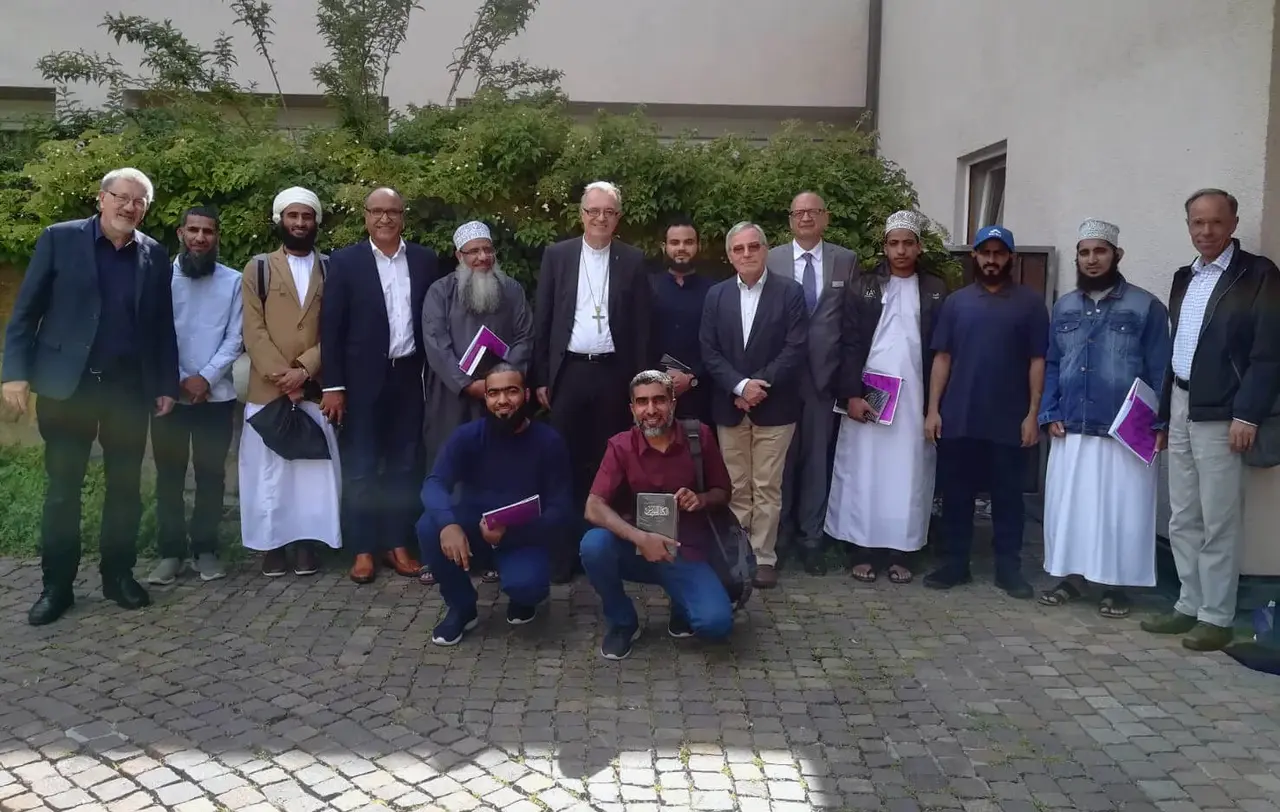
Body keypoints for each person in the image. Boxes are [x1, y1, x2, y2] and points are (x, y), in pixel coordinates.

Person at [2, 167, 178, 625]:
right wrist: (14, 374)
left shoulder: (154, 255)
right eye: (122, 198)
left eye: (139, 202)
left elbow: (161, 329)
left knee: (124, 490)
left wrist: (164, 384)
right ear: (102, 198)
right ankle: (56, 587)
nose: (129, 207)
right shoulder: (59, 239)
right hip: (67, 387)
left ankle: (117, 576)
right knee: (63, 493)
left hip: (126, 391)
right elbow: (26, 313)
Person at [1142, 189, 1280, 651]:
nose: (1206, 232)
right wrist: (1163, 416)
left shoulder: (1257, 275)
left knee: (1220, 517)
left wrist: (1248, 412)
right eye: (1197, 223)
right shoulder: (1185, 277)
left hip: (1225, 412)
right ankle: (1188, 603)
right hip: (1181, 404)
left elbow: (1268, 352)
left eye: (1215, 223)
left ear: (1233, 223)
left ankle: (1217, 616)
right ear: (1188, 226)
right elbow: (1177, 350)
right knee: (1183, 514)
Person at [1037, 218, 1171, 618]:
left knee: (1121, 510)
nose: (1091, 260)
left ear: (1117, 255)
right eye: (1084, 252)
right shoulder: (1064, 307)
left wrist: (1160, 423)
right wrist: (1049, 410)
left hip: (1125, 429)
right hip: (1072, 424)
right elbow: (1053, 363)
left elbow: (1161, 369)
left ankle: (1117, 586)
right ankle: (1071, 578)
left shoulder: (1145, 306)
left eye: (1100, 251)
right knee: (1071, 507)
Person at [532, 180, 652, 583]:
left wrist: (638, 386)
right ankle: (563, 554)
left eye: (609, 212)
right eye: (593, 211)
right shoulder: (558, 255)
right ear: (581, 214)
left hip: (613, 374)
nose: (601, 218)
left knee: (610, 464)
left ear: (618, 218)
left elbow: (640, 328)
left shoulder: (633, 260)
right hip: (569, 372)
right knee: (562, 463)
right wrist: (542, 376)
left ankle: (603, 551)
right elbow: (543, 317)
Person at [320, 187, 440, 584]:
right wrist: (333, 386)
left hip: (409, 376)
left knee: (405, 465)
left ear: (403, 216)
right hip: (361, 381)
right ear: (366, 216)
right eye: (377, 211)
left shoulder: (424, 260)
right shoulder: (345, 261)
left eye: (393, 211)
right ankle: (362, 549)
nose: (385, 218)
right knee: (361, 467)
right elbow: (331, 329)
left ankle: (397, 544)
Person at [922, 225, 1049, 598]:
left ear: (1010, 257)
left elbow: (1037, 362)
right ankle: (955, 565)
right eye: (985, 253)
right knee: (956, 496)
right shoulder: (957, 302)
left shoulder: (1029, 303)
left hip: (1009, 420)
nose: (991, 260)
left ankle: (1008, 570)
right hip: (960, 416)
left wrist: (1032, 414)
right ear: (974, 256)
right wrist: (933, 410)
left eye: (999, 253)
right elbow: (942, 358)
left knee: (1008, 500)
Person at [826, 210, 947, 585]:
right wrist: (851, 395)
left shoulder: (935, 289)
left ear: (919, 247)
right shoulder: (862, 284)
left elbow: (942, 350)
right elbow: (847, 343)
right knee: (865, 471)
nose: (900, 250)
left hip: (913, 399)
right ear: (885, 247)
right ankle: (863, 549)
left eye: (907, 243)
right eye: (893, 243)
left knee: (908, 472)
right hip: (869, 396)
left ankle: (902, 550)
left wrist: (933, 408)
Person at [580, 370, 735, 660]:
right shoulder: (621, 445)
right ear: (632, 409)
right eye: (642, 402)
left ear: (673, 403)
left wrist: (700, 499)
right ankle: (622, 622)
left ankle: (682, 604)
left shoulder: (698, 436)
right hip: (636, 549)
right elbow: (593, 506)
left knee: (715, 625)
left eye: (659, 400)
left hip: (686, 550)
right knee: (593, 545)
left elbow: (724, 492)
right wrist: (640, 538)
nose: (651, 410)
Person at [417, 364, 572, 645]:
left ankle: (524, 598)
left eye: (511, 392)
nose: (502, 401)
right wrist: (448, 524)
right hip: (473, 528)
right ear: (485, 398)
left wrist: (512, 533)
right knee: (429, 526)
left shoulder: (549, 442)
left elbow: (561, 510)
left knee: (527, 587)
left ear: (526, 395)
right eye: (494, 393)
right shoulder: (466, 437)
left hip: (523, 534)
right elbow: (434, 482)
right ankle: (462, 608)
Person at [239, 187, 342, 576]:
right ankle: (272, 545)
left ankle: (306, 544)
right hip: (268, 390)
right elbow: (253, 328)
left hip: (314, 389)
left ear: (317, 222)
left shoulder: (332, 268)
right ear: (279, 220)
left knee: (310, 473)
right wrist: (282, 376)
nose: (300, 223)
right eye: (292, 216)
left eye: (307, 216)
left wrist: (305, 370)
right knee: (269, 473)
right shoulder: (258, 268)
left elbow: (336, 328)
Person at [700, 222, 808, 588]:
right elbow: (709, 350)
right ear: (730, 255)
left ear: (765, 249)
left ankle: (763, 557)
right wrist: (739, 385)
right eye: (739, 249)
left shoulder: (790, 292)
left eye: (753, 247)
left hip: (775, 405)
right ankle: (736, 553)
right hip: (730, 404)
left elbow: (795, 347)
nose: (746, 254)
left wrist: (759, 385)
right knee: (734, 483)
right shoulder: (716, 296)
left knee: (767, 485)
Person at [147, 206, 244, 586]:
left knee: (210, 476)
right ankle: (170, 553)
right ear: (180, 233)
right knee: (168, 477)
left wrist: (204, 378)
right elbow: (153, 335)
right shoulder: (157, 278)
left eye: (208, 231)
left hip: (214, 396)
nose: (200, 238)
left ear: (217, 236)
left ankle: (205, 549)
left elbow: (235, 336)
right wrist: (177, 381)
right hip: (167, 396)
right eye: (193, 230)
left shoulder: (233, 281)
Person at [767, 192, 859, 574]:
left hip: (824, 379)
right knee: (780, 462)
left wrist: (847, 380)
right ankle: (780, 535)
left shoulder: (845, 260)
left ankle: (811, 539)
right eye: (798, 212)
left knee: (818, 461)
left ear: (826, 218)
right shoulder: (770, 258)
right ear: (790, 219)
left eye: (813, 212)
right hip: (781, 380)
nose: (805, 218)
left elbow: (850, 323)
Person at [650, 216, 714, 425]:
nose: (681, 248)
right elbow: (638, 338)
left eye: (688, 242)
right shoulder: (647, 287)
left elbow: (721, 342)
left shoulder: (715, 291)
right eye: (675, 243)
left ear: (699, 246)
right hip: (655, 393)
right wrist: (660, 377)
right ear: (664, 246)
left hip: (704, 393)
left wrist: (692, 377)